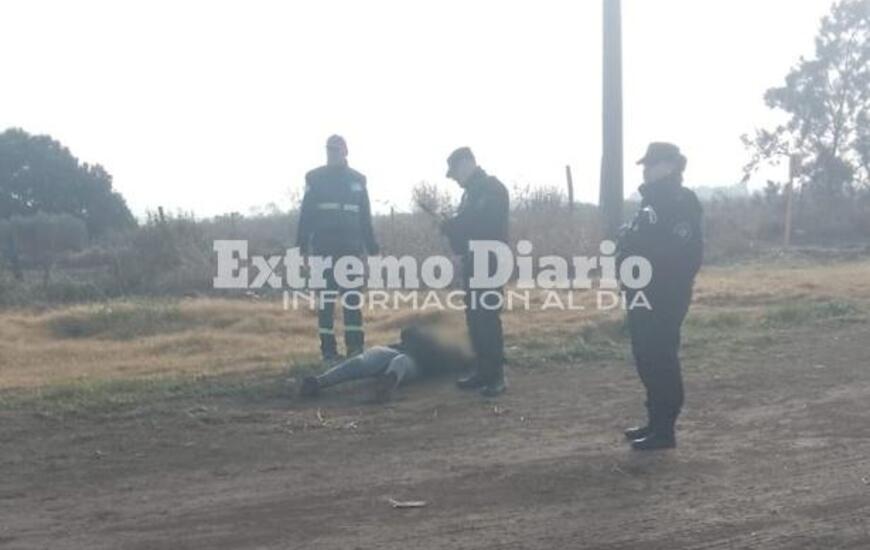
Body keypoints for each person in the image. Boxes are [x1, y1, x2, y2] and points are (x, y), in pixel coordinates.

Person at [617, 142, 703, 451]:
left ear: (669, 166)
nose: (645, 169)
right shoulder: (652, 201)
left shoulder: (681, 201)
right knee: (646, 357)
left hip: (665, 294)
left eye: (651, 164)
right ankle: (654, 421)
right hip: (643, 292)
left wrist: (640, 246)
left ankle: (665, 430)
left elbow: (683, 253)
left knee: (661, 357)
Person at [296, 135, 379, 362]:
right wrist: (302, 246)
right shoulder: (315, 178)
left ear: (345, 152)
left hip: (351, 249)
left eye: (335, 150)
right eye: (329, 151)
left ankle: (355, 349)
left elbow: (365, 217)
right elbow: (306, 214)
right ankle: (328, 351)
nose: (331, 154)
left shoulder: (358, 180)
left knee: (352, 300)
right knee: (326, 302)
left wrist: (371, 249)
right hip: (324, 248)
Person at [440, 147, 510, 397]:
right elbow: (466, 229)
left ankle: (497, 376)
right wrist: (454, 236)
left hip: (490, 260)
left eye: (455, 171)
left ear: (468, 163)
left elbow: (483, 223)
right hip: (473, 260)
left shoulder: (492, 188)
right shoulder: (470, 194)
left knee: (487, 318)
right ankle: (483, 371)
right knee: (474, 316)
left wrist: (455, 224)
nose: (455, 178)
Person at [299, 326, 472, 402]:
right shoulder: (439, 335)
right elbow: (407, 331)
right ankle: (318, 382)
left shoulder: (456, 351)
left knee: (399, 363)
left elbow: (463, 361)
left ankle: (386, 387)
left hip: (416, 363)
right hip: (396, 350)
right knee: (362, 362)